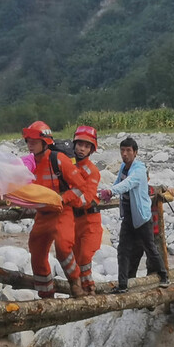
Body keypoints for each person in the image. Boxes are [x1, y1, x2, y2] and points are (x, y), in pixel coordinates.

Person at [23, 120, 89, 299]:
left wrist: (63, 198)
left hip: (62, 212)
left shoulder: (58, 160)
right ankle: (46, 293)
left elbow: (80, 186)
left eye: (34, 141)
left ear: (45, 143)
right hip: (42, 215)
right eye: (28, 141)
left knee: (63, 248)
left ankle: (75, 284)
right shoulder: (28, 165)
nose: (30, 145)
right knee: (36, 251)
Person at [99, 137, 169, 292]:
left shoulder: (138, 170)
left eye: (128, 150)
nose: (124, 154)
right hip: (129, 217)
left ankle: (164, 276)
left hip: (142, 217)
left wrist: (111, 192)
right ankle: (123, 284)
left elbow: (128, 184)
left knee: (150, 248)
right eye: (122, 150)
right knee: (122, 250)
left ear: (135, 152)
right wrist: (105, 193)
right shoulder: (124, 167)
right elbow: (118, 183)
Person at [70, 126, 103, 294]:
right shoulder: (68, 166)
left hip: (90, 220)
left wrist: (66, 200)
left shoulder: (92, 171)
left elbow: (87, 197)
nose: (81, 149)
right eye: (79, 144)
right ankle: (80, 290)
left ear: (91, 149)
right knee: (74, 258)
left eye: (86, 146)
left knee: (84, 256)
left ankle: (89, 290)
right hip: (73, 221)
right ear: (74, 144)